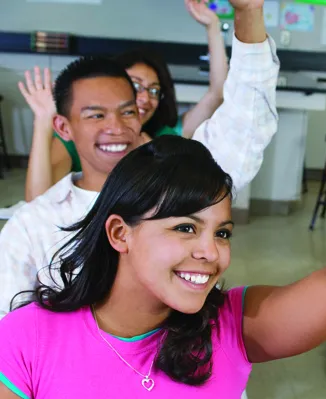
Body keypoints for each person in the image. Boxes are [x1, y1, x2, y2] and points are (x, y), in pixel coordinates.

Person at [0, 0, 326, 396]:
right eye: (185, 227)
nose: (211, 252)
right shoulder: (28, 335)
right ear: (119, 233)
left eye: (223, 233)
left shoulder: (228, 325)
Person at [0, 0, 280, 318]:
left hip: (175, 355)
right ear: (64, 127)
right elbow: (10, 333)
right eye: (96, 115)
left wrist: (249, 13)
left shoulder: (179, 187)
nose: (116, 128)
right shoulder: (34, 224)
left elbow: (245, 126)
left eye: (127, 111)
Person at [21, 0, 228, 202]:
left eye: (154, 90)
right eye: (135, 87)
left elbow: (217, 92)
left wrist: (213, 26)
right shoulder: (78, 135)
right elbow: (37, 203)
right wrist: (42, 122)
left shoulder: (164, 137)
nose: (145, 98)